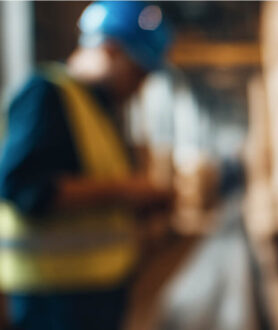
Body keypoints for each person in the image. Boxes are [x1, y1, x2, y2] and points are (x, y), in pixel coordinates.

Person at [0, 2, 173, 329]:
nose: (140, 85)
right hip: (53, 301)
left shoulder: (99, 109)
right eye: (138, 72)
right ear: (110, 50)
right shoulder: (45, 95)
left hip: (94, 294)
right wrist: (125, 190)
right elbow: (20, 187)